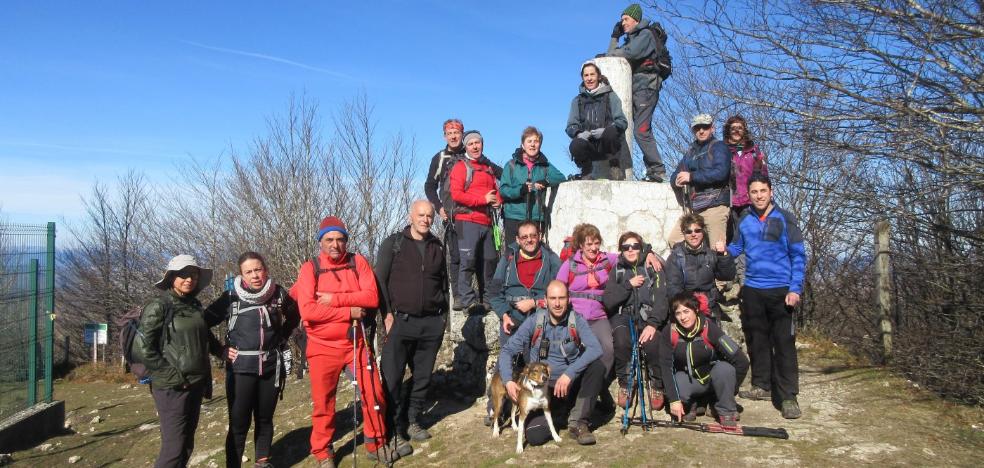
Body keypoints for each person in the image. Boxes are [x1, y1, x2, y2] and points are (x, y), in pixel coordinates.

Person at [290, 216, 400, 466]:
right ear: (321, 242)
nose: (335, 245)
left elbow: (371, 298)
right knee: (323, 402)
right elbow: (308, 311)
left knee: (374, 393)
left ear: (346, 241)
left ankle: (376, 442)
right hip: (321, 346)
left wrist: (334, 299)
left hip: (356, 343)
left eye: (340, 239)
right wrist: (349, 310)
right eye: (329, 239)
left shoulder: (357, 262)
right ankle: (323, 452)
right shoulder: (310, 268)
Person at [205, 252, 300, 468]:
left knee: (265, 419)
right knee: (239, 423)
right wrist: (219, 350)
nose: (255, 275)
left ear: (265, 269)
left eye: (258, 269)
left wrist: (281, 337)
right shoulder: (230, 297)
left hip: (270, 367)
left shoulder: (278, 294)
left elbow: (294, 315)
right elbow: (202, 323)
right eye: (249, 271)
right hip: (240, 369)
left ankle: (262, 461)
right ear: (241, 274)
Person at [728, 174, 806, 419]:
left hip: (781, 290)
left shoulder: (786, 219)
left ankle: (788, 396)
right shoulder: (745, 220)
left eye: (763, 191)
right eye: (754, 192)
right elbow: (737, 248)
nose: (759, 195)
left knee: (783, 343)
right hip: (752, 289)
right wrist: (720, 250)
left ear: (771, 192)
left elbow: (798, 256)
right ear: (748, 194)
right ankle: (762, 385)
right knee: (757, 340)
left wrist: (795, 288)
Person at [375, 200, 448, 445]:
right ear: (411, 216)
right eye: (421, 215)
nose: (426, 219)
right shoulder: (393, 244)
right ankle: (394, 428)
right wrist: (386, 315)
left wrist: (442, 318)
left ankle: (413, 419)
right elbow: (380, 281)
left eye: (429, 216)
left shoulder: (437, 245)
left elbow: (444, 283)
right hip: (400, 322)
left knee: (422, 377)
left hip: (431, 324)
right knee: (392, 378)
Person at [499, 280, 605, 446]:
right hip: (542, 390)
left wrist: (570, 373)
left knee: (597, 366)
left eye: (561, 298)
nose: (557, 303)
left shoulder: (576, 321)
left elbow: (596, 348)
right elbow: (507, 351)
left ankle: (579, 422)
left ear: (568, 299)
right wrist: (508, 381)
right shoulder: (534, 321)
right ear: (545, 300)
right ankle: (557, 415)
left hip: (569, 383)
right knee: (535, 437)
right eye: (553, 298)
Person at [139, 254, 220, 468]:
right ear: (172, 277)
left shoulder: (194, 305)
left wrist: (222, 351)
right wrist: (173, 376)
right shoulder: (158, 306)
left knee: (186, 444)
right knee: (173, 447)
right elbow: (143, 348)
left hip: (195, 382)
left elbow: (205, 336)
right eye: (183, 274)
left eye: (193, 274)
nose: (189, 279)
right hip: (172, 387)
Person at [659, 292, 749, 427]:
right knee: (678, 382)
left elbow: (741, 361)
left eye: (686, 311)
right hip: (688, 380)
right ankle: (693, 404)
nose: (683, 317)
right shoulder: (669, 331)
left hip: (712, 379)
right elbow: (665, 367)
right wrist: (674, 400)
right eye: (678, 313)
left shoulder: (709, 327)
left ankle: (725, 409)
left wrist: (729, 391)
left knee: (725, 369)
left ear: (696, 310)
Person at [602, 232, 669, 411]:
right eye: (626, 247)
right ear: (620, 250)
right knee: (622, 341)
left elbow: (662, 298)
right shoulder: (617, 270)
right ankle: (626, 383)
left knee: (653, 343)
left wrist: (653, 324)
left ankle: (656, 384)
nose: (630, 250)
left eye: (635, 246)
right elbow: (608, 301)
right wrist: (627, 285)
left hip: (648, 316)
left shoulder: (652, 267)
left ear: (642, 248)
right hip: (623, 315)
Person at [605, 3, 670, 182]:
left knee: (641, 131)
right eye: (621, 20)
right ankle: (650, 170)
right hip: (636, 89)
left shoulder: (645, 35)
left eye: (626, 19)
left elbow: (627, 54)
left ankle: (657, 169)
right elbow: (612, 57)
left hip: (646, 88)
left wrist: (614, 50)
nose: (623, 23)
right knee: (628, 128)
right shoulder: (631, 38)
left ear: (636, 19)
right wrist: (614, 37)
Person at [450, 130, 503, 312]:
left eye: (478, 143)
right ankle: (468, 301)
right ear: (466, 146)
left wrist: (498, 201)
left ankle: (489, 300)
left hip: (487, 222)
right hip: (466, 220)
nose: (475, 146)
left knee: (490, 262)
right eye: (471, 143)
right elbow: (456, 194)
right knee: (468, 262)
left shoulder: (488, 168)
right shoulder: (460, 167)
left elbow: (495, 191)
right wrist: (483, 200)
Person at [669, 113, 732, 248]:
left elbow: (721, 173)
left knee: (717, 249)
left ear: (712, 128)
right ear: (693, 130)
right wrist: (677, 180)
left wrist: (691, 177)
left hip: (715, 206)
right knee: (675, 240)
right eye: (697, 128)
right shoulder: (691, 152)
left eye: (705, 127)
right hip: (694, 209)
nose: (701, 131)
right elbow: (675, 174)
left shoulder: (719, 147)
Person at [424, 119, 466, 307]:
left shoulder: (471, 154)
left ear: (462, 134)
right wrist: (438, 207)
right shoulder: (439, 158)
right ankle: (458, 296)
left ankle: (478, 296)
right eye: (450, 133)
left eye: (456, 132)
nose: (453, 136)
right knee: (456, 256)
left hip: (473, 214)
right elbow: (430, 186)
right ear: (445, 136)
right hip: (450, 215)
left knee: (477, 256)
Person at [664, 213, 736, 323]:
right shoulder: (675, 258)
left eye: (697, 230)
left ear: (703, 232)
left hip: (709, 307)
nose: (693, 234)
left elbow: (727, 275)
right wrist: (692, 307)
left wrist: (723, 256)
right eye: (689, 231)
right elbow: (674, 289)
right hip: (687, 310)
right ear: (684, 233)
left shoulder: (710, 254)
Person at [498, 127, 566, 242]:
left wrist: (546, 182)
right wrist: (520, 190)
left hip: (536, 217)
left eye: (536, 141)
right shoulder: (511, 165)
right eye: (529, 141)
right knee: (513, 255)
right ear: (523, 145)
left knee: (534, 256)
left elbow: (561, 177)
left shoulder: (545, 166)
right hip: (514, 217)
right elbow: (503, 190)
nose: (533, 145)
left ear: (540, 145)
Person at [565, 62, 629, 180]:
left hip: (607, 145)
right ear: (583, 78)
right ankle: (586, 170)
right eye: (586, 75)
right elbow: (570, 126)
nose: (589, 78)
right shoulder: (577, 101)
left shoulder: (611, 96)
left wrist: (605, 131)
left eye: (592, 75)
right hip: (589, 146)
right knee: (575, 144)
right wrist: (579, 133)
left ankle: (615, 167)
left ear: (598, 76)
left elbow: (622, 122)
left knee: (612, 132)